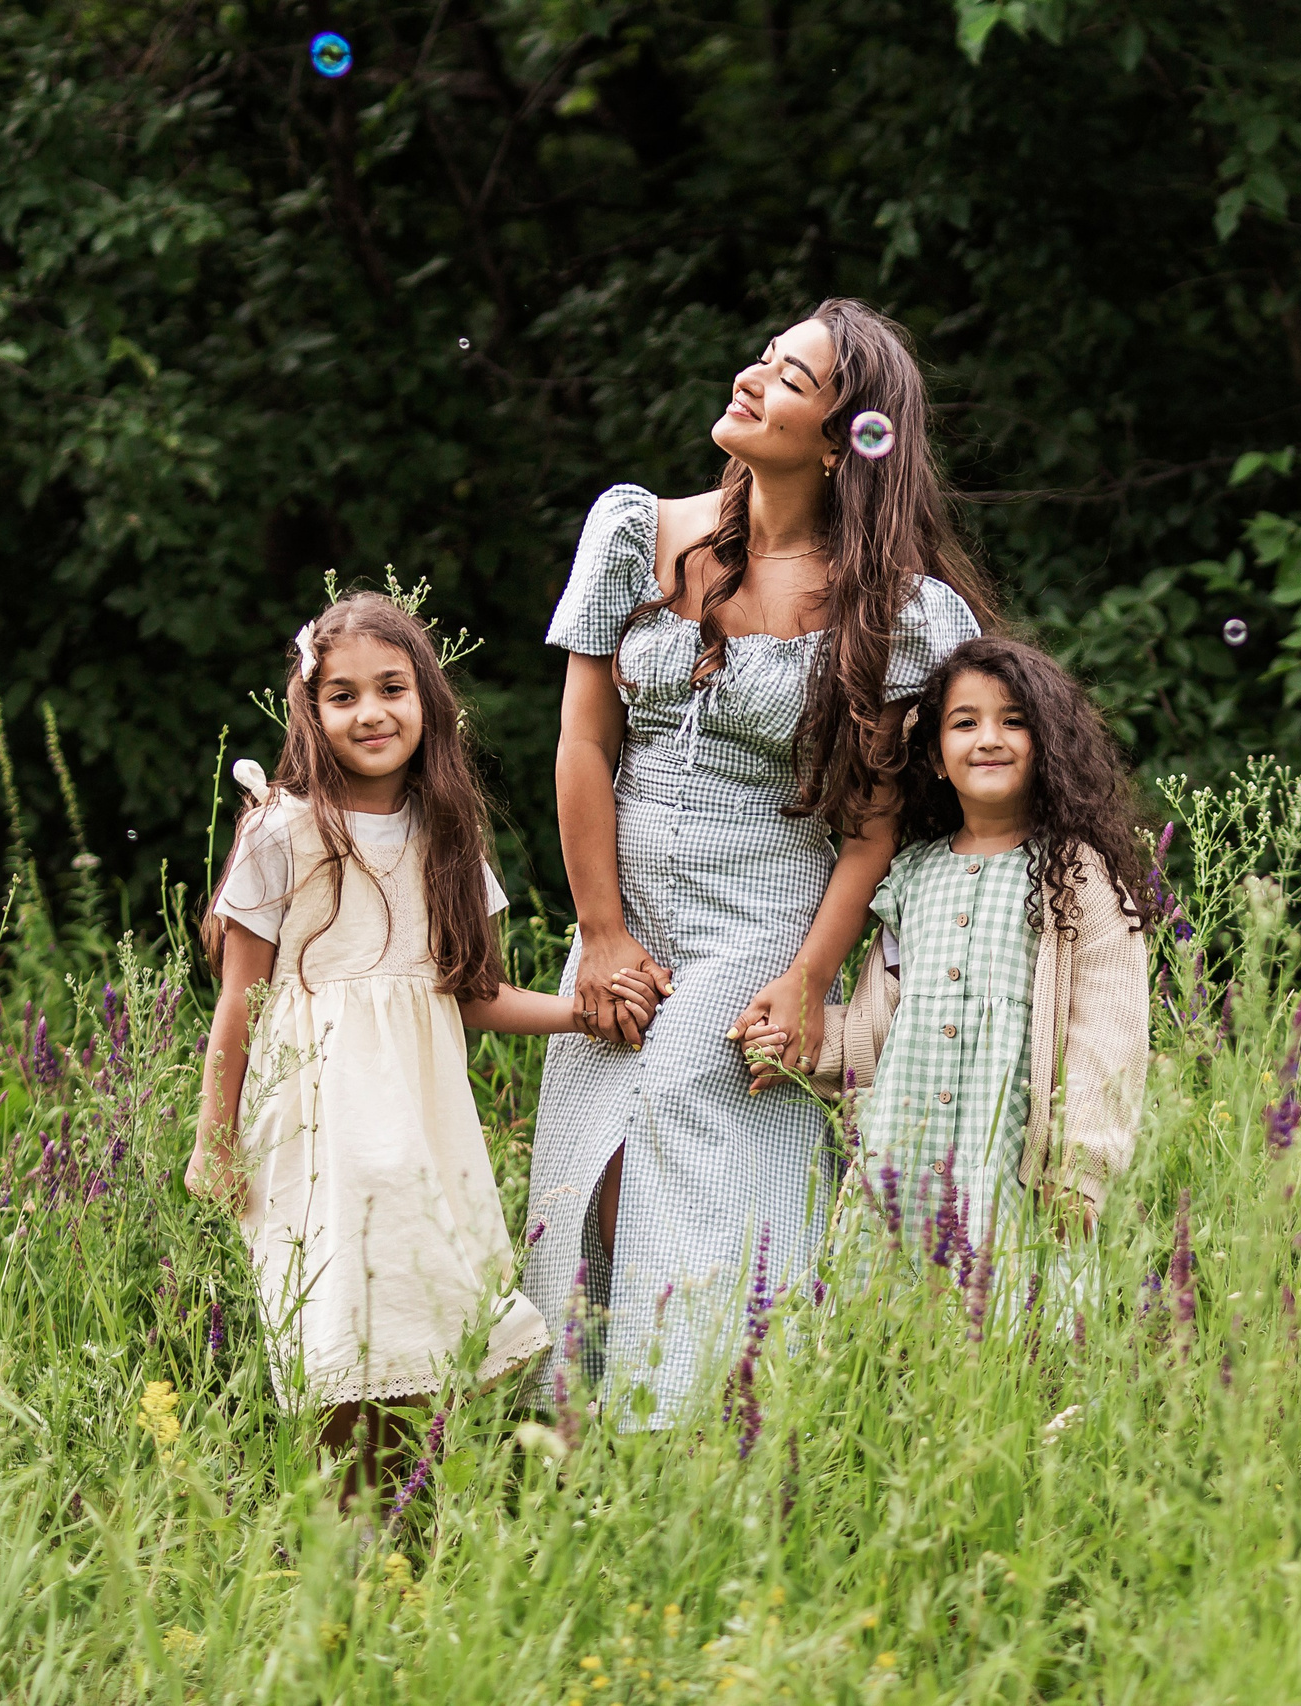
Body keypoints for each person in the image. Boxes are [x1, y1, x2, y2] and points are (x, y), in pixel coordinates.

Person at [525, 299, 996, 1425]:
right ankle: (587, 1427)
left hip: (767, 913)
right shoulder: (636, 530)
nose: (751, 378)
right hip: (626, 908)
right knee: (589, 1169)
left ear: (842, 440)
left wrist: (808, 978)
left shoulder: (892, 608)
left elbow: (873, 825)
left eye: (789, 378)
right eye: (765, 356)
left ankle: (692, 1419)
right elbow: (585, 743)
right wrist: (600, 931)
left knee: (691, 1097)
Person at [186, 591, 640, 1494]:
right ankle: (346, 1533)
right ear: (310, 714)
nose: (370, 712)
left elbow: (468, 995)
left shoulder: (443, 835)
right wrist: (213, 1136)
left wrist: (584, 1013)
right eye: (343, 694)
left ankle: (407, 1528)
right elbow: (241, 999)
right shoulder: (283, 828)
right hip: (318, 1129)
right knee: (338, 1325)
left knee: (420, 1327)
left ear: (427, 699)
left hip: (419, 1128)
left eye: (391, 688)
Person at [799, 636, 1154, 1263]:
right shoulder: (909, 877)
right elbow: (879, 1020)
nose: (989, 738)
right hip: (901, 1164)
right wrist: (801, 1042)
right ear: (937, 755)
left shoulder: (1076, 875)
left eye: (1014, 721)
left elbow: (1107, 1034)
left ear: (1048, 747)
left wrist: (1082, 1170)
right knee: (891, 1337)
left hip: (1016, 1174)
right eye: (965, 723)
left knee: (1013, 1338)